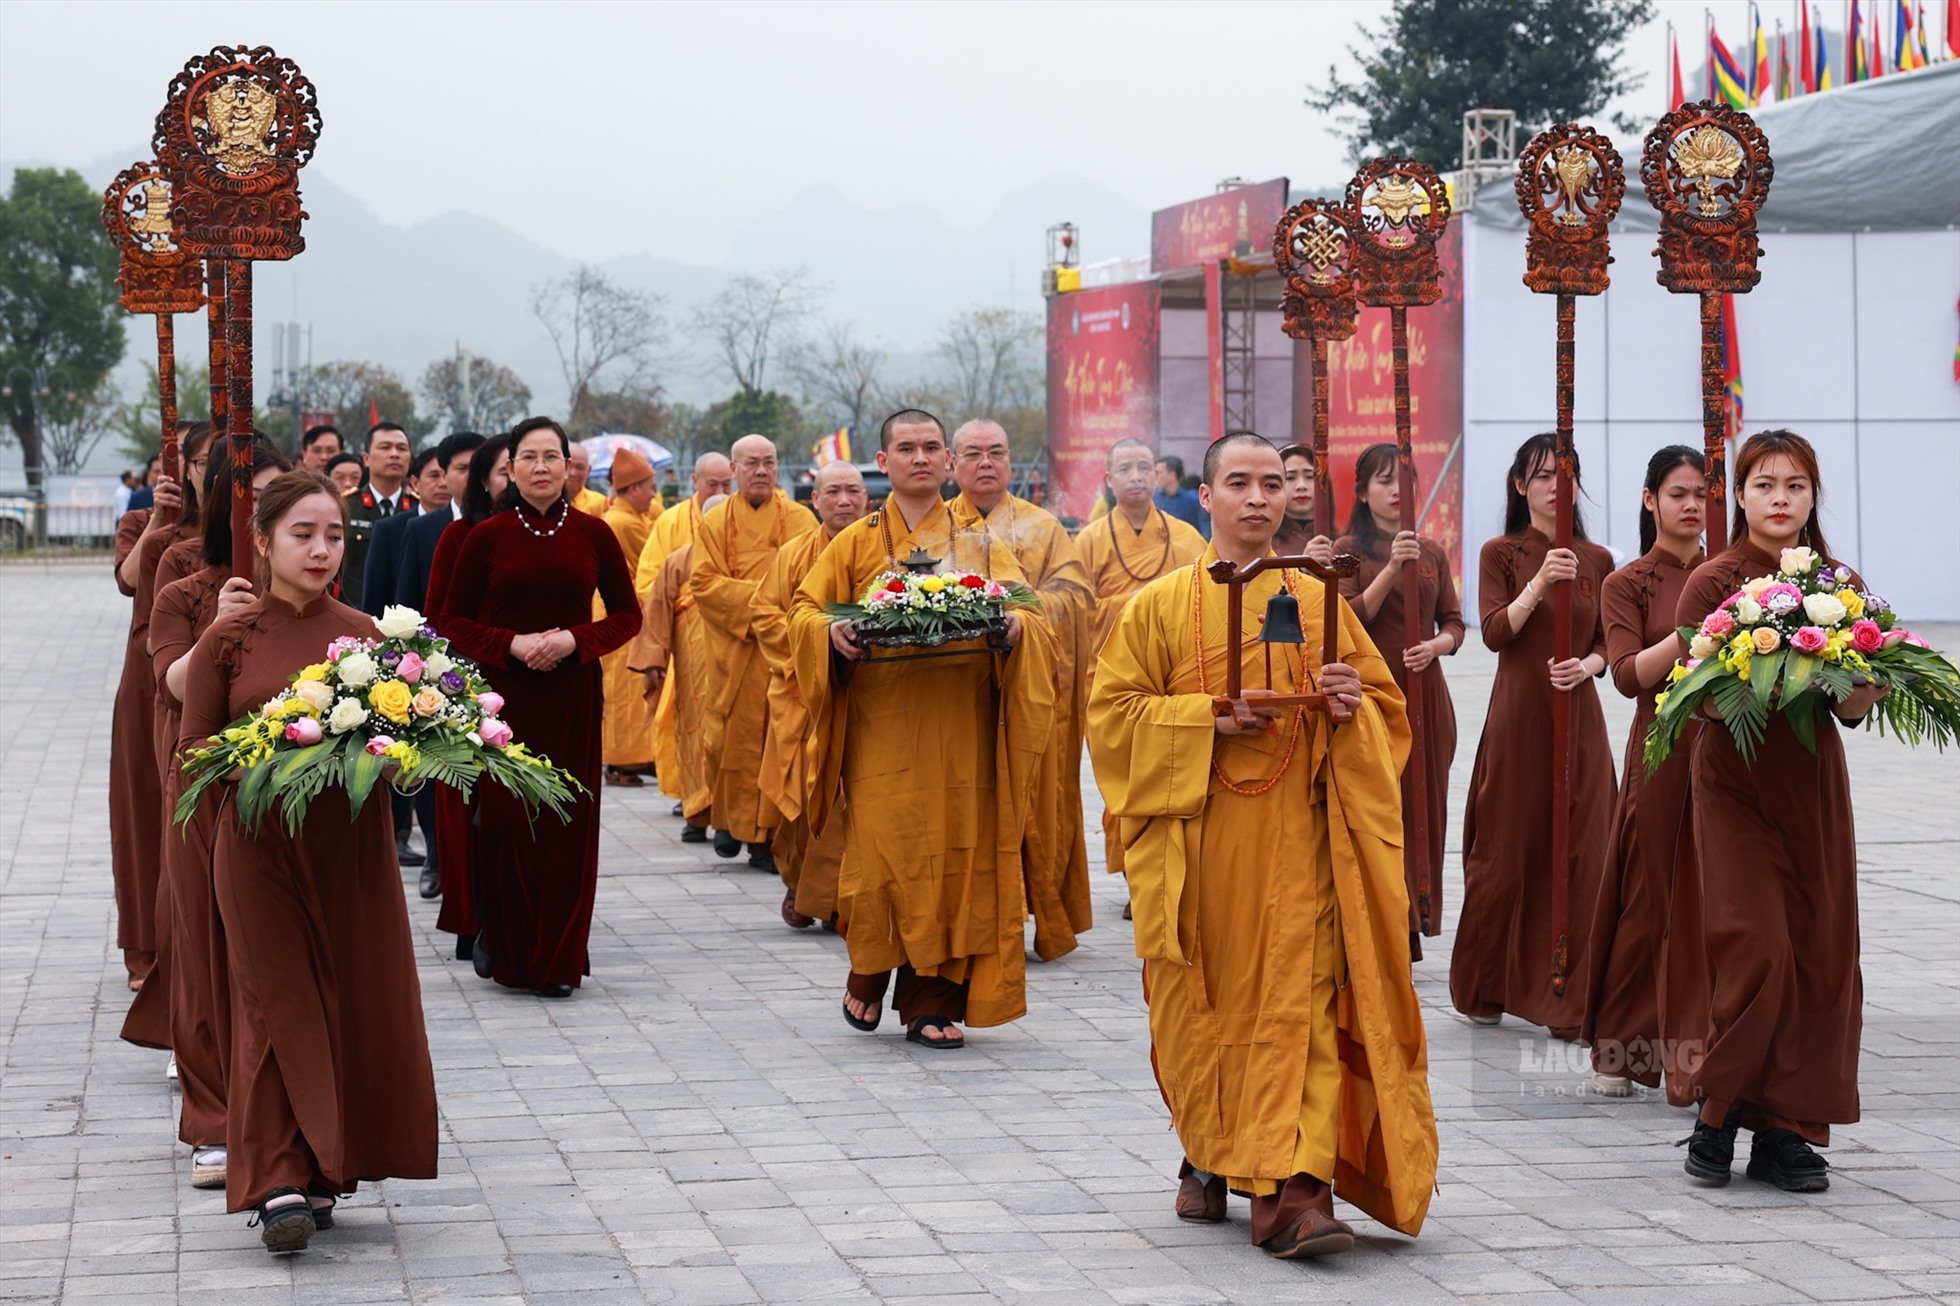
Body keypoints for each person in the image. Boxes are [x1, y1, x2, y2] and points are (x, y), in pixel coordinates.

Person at [1087, 431, 1436, 1258]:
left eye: (1272, 483)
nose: (1257, 498)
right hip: (1202, 852)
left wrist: (1353, 702)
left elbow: (1388, 718)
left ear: (1289, 498)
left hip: (1304, 847)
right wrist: (1205, 716)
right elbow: (1110, 718)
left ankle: (1296, 1195)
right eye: (1237, 483)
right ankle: (1210, 1155)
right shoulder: (1161, 606)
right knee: (1202, 1015)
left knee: (1304, 1010)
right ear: (1203, 498)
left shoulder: (1320, 604)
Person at [176, 469, 437, 1253]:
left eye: (334, 536)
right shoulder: (227, 639)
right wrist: (265, 761)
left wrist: (399, 759)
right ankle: (278, 1178)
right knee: (270, 1005)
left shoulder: (374, 639)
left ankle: (326, 1166)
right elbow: (192, 754)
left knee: (344, 1000)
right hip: (255, 849)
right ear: (261, 542)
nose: (322, 549)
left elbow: (409, 755)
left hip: (348, 852)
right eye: (303, 534)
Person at [789, 409, 1057, 1050]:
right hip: (883, 729)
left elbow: (1029, 608)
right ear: (882, 463)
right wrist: (830, 633)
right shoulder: (852, 541)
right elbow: (802, 610)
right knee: (884, 853)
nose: (919, 457)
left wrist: (1019, 627)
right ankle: (869, 965)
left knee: (954, 859)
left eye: (931, 447)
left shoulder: (984, 544)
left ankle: (929, 1002)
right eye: (905, 448)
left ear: (947, 461)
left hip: (961, 729)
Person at [1675, 430, 1882, 1193]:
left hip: (1812, 785)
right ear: (1739, 495)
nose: (1780, 499)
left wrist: (1865, 678)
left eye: (1795, 486)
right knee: (1754, 944)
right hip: (1733, 781)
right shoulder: (1712, 581)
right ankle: (1719, 1110)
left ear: (1811, 498)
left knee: (1818, 953)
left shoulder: (1841, 584)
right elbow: (1692, 696)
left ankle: (1787, 1131)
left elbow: (1855, 707)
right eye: (1765, 484)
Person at [433, 417, 641, 998]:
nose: (542, 467)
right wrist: (512, 643)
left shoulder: (596, 534)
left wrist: (576, 640)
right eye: (529, 457)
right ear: (511, 469)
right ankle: (509, 949)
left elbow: (629, 615)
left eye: (553, 456)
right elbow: (451, 620)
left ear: (571, 466)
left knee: (566, 824)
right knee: (504, 822)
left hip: (572, 694)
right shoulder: (487, 536)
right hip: (504, 698)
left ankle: (558, 960)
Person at [133, 440, 289, 1191]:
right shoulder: (186, 588)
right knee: (203, 944)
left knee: (281, 953)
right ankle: (213, 1116)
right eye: (250, 496)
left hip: (290, 792)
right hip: (205, 783)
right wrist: (220, 628)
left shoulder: (314, 599)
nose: (264, 514)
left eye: (278, 500)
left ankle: (289, 1118)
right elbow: (171, 683)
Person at [1450, 433, 1617, 1039]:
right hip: (1521, 715)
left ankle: (1568, 997)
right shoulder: (1502, 552)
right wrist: (1541, 582)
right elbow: (1495, 632)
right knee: (1508, 848)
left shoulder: (1598, 559)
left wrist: (1590, 666)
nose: (1554, 485)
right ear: (1522, 486)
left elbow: (1608, 643)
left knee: (1585, 848)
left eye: (1564, 475)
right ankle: (1487, 983)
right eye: (1542, 475)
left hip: (1581, 718)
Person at [1578, 447, 1709, 1099]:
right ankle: (1622, 1048)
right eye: (1679, 493)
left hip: (1728, 753)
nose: (1692, 506)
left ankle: (1710, 1047)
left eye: (1702, 494)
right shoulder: (1626, 583)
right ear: (1650, 499)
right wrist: (1693, 633)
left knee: (1718, 897)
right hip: (1660, 748)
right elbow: (1628, 675)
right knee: (1648, 893)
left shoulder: (1735, 577)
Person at [948, 418, 1094, 961]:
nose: (986, 463)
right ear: (952, 463)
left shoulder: (1043, 527)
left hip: (1035, 691)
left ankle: (1045, 912)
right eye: (974, 454)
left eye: (997, 452)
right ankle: (974, 915)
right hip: (962, 694)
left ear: (1011, 463)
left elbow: (1077, 598)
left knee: (1043, 799)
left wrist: (1021, 609)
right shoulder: (935, 528)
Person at [1335, 443, 1463, 960]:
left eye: (1404, 482)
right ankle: (1381, 917)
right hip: (1369, 695)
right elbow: (1345, 617)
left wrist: (1436, 645)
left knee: (1421, 809)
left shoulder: (1431, 550)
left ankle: (1417, 913)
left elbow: (1454, 621)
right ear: (1363, 493)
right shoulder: (1348, 549)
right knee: (1377, 809)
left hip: (1425, 697)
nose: (1396, 492)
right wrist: (1391, 568)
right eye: (1384, 482)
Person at [1069, 437, 1205, 897]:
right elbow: (1076, 609)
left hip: (1174, 676)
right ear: (1108, 480)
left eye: (1144, 467)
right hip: (1111, 676)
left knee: (1171, 774)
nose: (1135, 476)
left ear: (1159, 476)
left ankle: (1173, 870)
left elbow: (1208, 595)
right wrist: (1140, 604)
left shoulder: (1188, 537)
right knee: (1124, 778)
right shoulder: (1087, 541)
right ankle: (1136, 875)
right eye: (1124, 468)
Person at [108, 422, 209, 991]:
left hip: (218, 676)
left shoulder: (244, 527)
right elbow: (126, 580)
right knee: (145, 808)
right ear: (183, 469)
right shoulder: (145, 523)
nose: (209, 472)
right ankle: (145, 947)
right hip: (151, 676)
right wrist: (155, 525)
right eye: (199, 461)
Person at [752, 461, 869, 928]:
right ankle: (802, 881)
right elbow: (764, 613)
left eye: (853, 491)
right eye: (834, 492)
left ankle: (842, 897)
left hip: (864, 692)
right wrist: (817, 647)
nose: (844, 500)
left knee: (854, 799)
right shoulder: (793, 554)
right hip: (801, 693)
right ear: (813, 500)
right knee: (801, 796)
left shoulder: (884, 551)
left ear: (867, 499)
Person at [692, 435, 818, 868]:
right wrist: (764, 602)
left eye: (768, 463)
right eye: (751, 464)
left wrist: (772, 613)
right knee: (727, 739)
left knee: (778, 742)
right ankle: (729, 821)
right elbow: (704, 584)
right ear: (734, 469)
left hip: (781, 646)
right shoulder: (714, 521)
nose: (761, 471)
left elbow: (813, 582)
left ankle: (767, 838)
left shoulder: (802, 519)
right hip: (735, 650)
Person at [425, 435, 509, 943]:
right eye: (504, 470)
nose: (514, 479)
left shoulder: (546, 533)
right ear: (484, 479)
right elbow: (439, 618)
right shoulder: (459, 537)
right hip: (468, 687)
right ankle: (472, 919)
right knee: (469, 811)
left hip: (534, 687)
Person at [632, 452, 735, 811]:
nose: (720, 490)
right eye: (713, 483)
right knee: (686, 721)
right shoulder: (671, 522)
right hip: (687, 645)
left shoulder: (742, 523)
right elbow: (650, 585)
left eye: (726, 483)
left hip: (735, 644)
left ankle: (726, 798)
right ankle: (690, 796)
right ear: (694, 481)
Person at [628, 500, 724, 843]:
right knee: (693, 735)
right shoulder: (680, 559)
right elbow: (656, 613)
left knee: (740, 741)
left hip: (741, 667)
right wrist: (653, 660)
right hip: (693, 668)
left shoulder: (746, 559)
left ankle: (737, 823)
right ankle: (697, 814)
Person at [598, 447, 663, 785]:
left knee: (625, 689)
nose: (654, 495)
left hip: (617, 613)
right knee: (626, 691)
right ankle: (624, 761)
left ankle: (631, 759)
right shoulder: (622, 521)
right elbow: (653, 559)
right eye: (650, 487)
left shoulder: (625, 517)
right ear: (634, 488)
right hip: (624, 613)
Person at [341, 423, 416, 613]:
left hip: (407, 619)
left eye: (402, 448)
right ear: (366, 458)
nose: (394, 454)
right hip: (354, 613)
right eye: (385, 447)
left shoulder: (419, 509)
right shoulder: (346, 507)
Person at [1273, 444, 1331, 559]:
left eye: (1310, 477)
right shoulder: (1264, 543)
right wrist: (1305, 568)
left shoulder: (1343, 543)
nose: (1301, 486)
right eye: (1290, 478)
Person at [1154, 454, 1209, 539]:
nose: (1156, 476)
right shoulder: (1154, 499)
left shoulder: (1191, 500)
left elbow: (1203, 527)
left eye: (1159, 473)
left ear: (1172, 475)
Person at [567, 442, 609, 516]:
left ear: (588, 470)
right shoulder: (545, 500)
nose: (573, 473)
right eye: (568, 466)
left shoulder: (599, 503)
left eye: (580, 467)